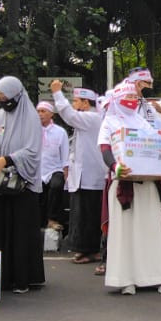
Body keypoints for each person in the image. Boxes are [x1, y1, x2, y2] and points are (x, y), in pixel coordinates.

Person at [98, 82, 161, 295]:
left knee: (151, 230)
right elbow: (105, 150)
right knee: (125, 233)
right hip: (124, 184)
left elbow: (158, 146)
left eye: (134, 96)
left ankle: (157, 277)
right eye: (128, 96)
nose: (132, 100)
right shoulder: (109, 122)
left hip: (148, 184)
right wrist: (115, 167)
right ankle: (126, 279)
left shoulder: (144, 121)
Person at [0, 75, 45, 294]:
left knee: (20, 232)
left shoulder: (31, 118)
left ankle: (23, 277)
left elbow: (32, 151)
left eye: (6, 97)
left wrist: (7, 159)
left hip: (22, 187)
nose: (3, 101)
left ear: (17, 96)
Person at [50, 81, 107, 265]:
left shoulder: (92, 118)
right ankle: (85, 249)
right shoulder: (88, 119)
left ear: (85, 103)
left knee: (88, 215)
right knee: (82, 215)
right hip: (82, 177)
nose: (74, 104)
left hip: (91, 177)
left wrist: (58, 93)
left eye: (76, 101)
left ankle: (90, 250)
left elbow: (68, 114)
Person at [35, 101, 70, 233]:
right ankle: (38, 221)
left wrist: (66, 171)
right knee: (37, 193)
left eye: (43, 111)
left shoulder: (60, 132)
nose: (40, 114)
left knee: (56, 186)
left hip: (55, 169)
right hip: (38, 169)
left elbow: (65, 154)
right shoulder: (33, 131)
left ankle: (52, 219)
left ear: (51, 114)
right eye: (38, 111)